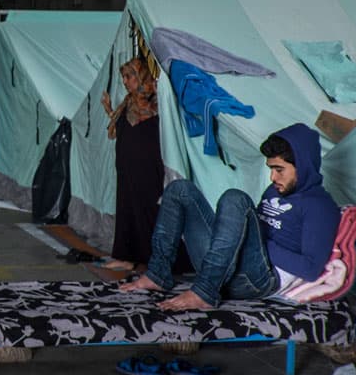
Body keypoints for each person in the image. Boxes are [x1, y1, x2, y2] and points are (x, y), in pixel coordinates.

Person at [119, 123, 339, 310]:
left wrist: (257, 241)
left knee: (235, 198)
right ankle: (158, 274)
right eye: (270, 169)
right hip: (226, 266)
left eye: (279, 170)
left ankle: (204, 293)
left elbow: (310, 269)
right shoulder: (275, 190)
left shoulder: (319, 206)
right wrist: (239, 237)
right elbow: (249, 232)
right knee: (179, 189)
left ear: (303, 166)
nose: (272, 177)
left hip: (259, 279)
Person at [100, 57, 182, 273]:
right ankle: (126, 256)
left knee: (148, 210)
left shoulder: (156, 100)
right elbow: (117, 128)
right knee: (127, 209)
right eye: (124, 77)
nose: (125, 82)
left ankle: (156, 258)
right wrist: (109, 109)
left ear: (140, 76)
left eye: (129, 77)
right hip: (128, 168)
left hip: (148, 169)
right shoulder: (129, 101)